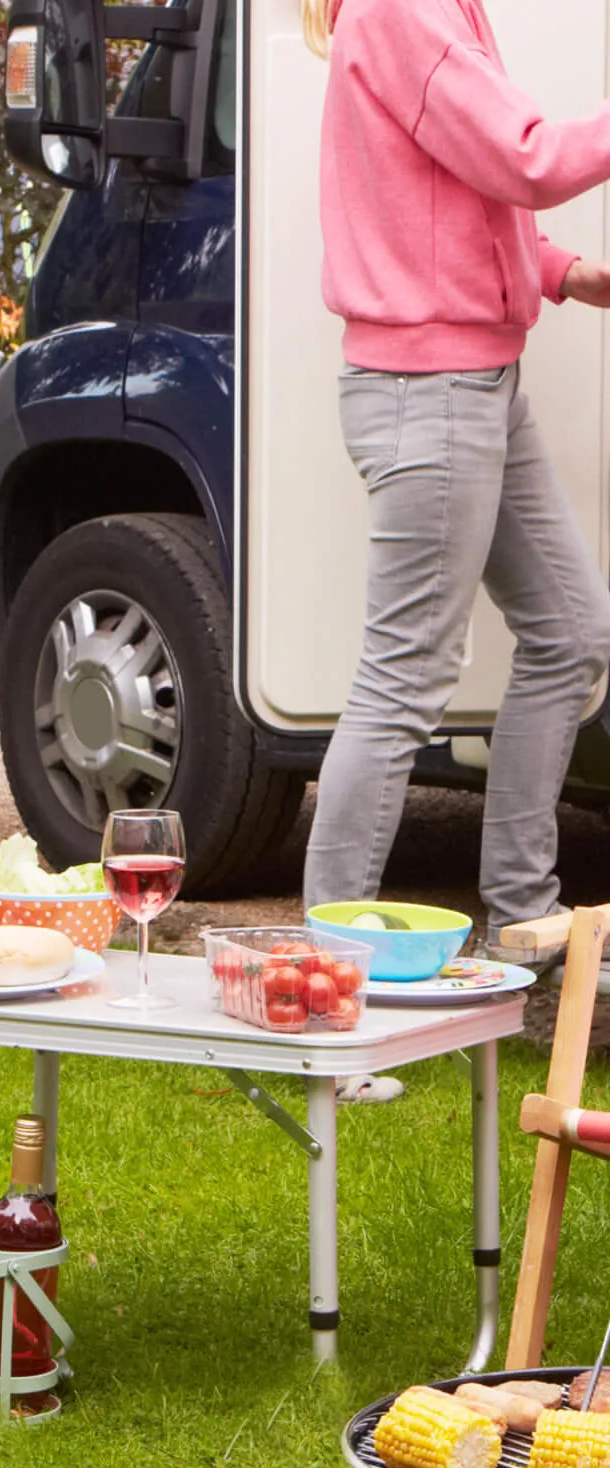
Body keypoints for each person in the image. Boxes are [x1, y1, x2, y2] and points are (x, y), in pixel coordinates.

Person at [303, 0, 610, 964]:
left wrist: (558, 271)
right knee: (403, 680)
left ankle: (523, 924)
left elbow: (445, 195)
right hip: (430, 392)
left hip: (475, 384)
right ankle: (327, 980)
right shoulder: (404, 7)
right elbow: (525, 159)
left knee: (570, 630)